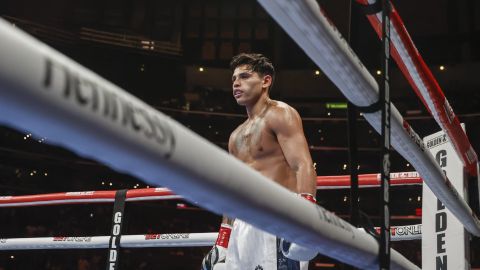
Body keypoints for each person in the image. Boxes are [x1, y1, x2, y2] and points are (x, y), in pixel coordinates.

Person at [202, 53, 317, 270]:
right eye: (234, 78)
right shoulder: (235, 136)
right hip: (243, 224)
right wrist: (223, 240)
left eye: (245, 76)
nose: (236, 82)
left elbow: (302, 164)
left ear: (266, 81)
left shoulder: (280, 114)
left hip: (278, 215)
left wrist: (305, 220)